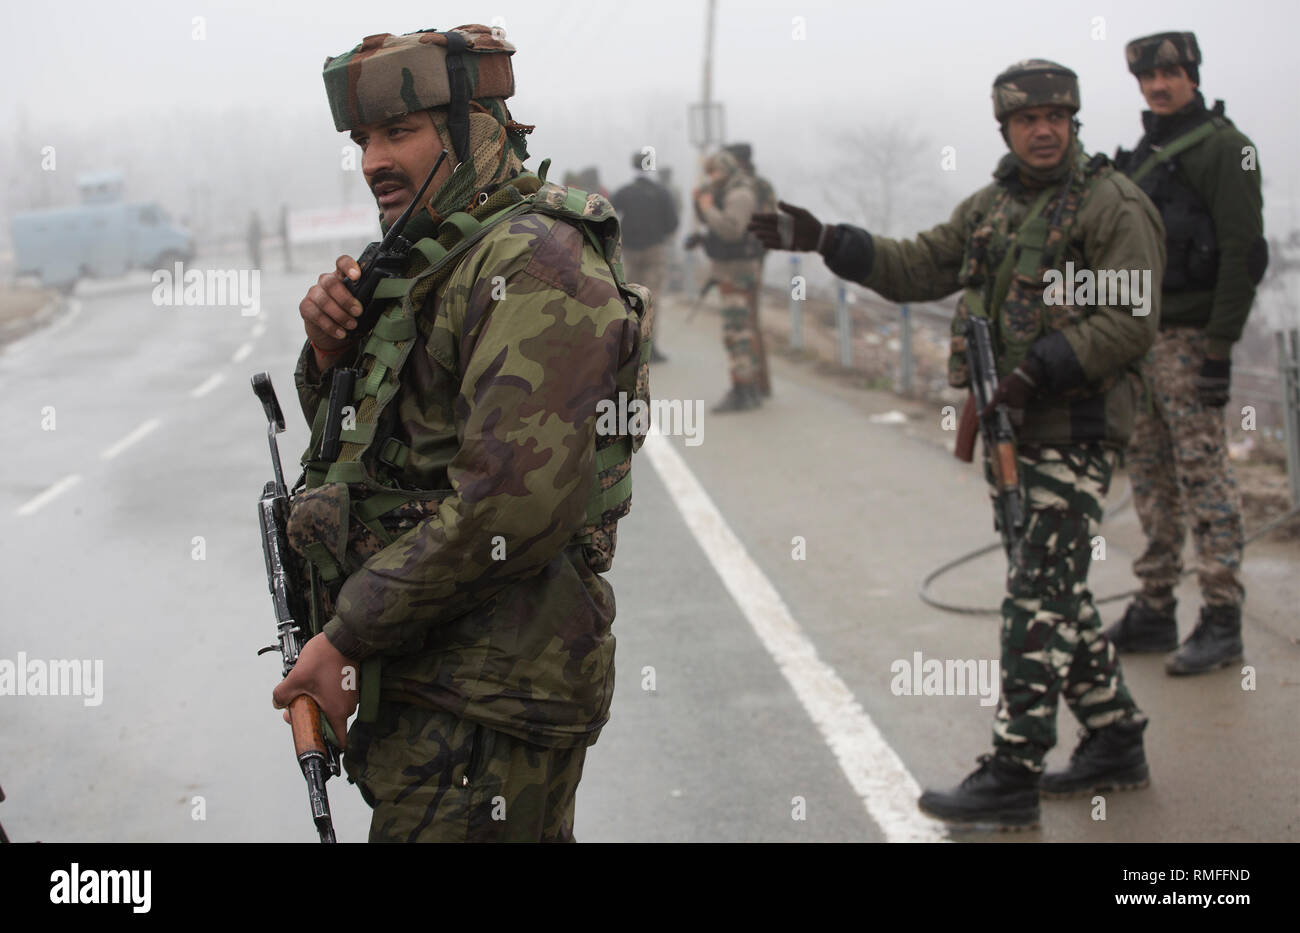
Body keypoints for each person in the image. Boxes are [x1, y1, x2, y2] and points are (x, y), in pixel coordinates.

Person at [751, 60, 1163, 827]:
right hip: (1015, 429)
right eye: (1026, 119)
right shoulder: (993, 207)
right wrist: (828, 239)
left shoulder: (1112, 205)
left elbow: (1131, 317)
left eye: (1057, 118)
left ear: (1073, 122)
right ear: (1004, 128)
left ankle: (1013, 770)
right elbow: (918, 265)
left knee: (1034, 597)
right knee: (1058, 591)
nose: (1043, 130)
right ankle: (1115, 736)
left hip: (1074, 427)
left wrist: (1038, 369)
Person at [271, 25, 650, 842]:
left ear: (476, 130)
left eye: (398, 132)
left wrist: (346, 635)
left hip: (490, 700)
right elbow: (387, 457)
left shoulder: (535, 264)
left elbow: (510, 507)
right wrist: (330, 357)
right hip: (433, 684)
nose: (373, 159)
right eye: (363, 138)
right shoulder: (435, 259)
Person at [1106, 32, 1267, 676]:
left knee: (1205, 480)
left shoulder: (1229, 150)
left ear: (1192, 74)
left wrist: (1220, 349)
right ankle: (1154, 605)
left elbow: (1244, 254)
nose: (1159, 86)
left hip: (1193, 341)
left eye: (1171, 73)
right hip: (1142, 341)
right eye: (1148, 78)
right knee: (1149, 477)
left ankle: (1223, 617)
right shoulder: (1146, 151)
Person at [690, 149, 770, 413]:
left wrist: (708, 207)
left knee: (736, 333)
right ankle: (748, 387)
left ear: (725, 170)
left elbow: (731, 230)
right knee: (739, 331)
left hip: (738, 271)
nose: (710, 178)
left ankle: (743, 388)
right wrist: (701, 205)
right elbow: (712, 223)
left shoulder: (740, 195)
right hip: (729, 270)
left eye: (713, 172)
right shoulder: (729, 192)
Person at [611, 151, 678, 362]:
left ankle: (630, 348)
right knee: (651, 299)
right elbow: (672, 223)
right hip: (655, 251)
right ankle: (650, 347)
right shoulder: (662, 193)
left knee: (631, 297)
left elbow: (610, 215)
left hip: (630, 251)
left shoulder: (624, 192)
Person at [723, 142, 776, 396]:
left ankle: (754, 383)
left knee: (744, 322)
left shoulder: (746, 187)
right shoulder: (760, 184)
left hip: (745, 259)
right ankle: (760, 382)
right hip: (754, 257)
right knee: (750, 321)